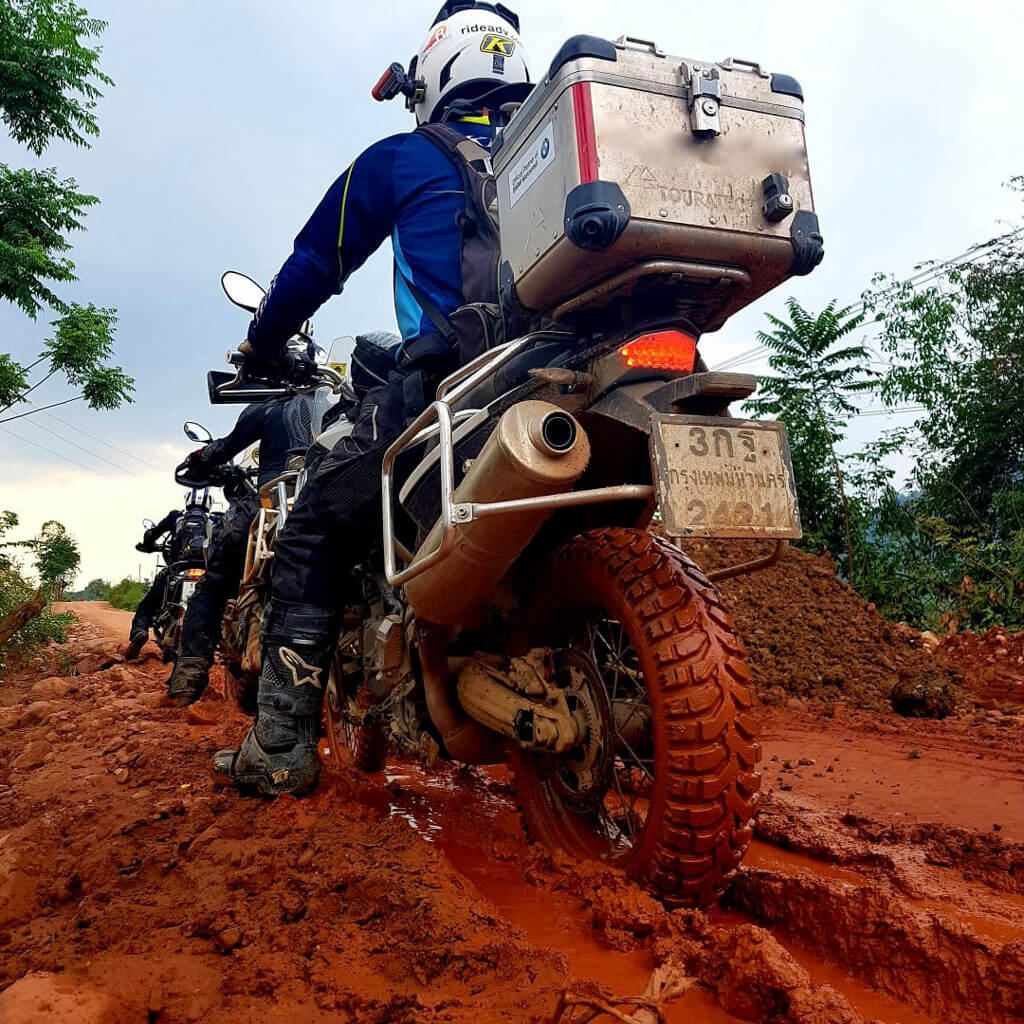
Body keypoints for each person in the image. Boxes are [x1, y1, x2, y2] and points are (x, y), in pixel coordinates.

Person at [212, 0, 532, 796]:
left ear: (433, 71)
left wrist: (261, 339)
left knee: (315, 522)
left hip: (459, 383)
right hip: (584, 370)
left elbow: (317, 262)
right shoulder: (563, 154)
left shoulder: (405, 158)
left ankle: (281, 747)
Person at [165, 393, 314, 704]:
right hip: (325, 502)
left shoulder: (272, 406)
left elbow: (224, 447)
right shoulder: (343, 402)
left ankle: (188, 674)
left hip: (272, 501)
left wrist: (200, 457)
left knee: (214, 582)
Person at [125, 508, 183, 659]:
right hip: (207, 575)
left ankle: (140, 631)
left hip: (175, 570)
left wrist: (147, 545)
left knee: (147, 604)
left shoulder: (176, 516)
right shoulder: (215, 520)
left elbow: (151, 534)